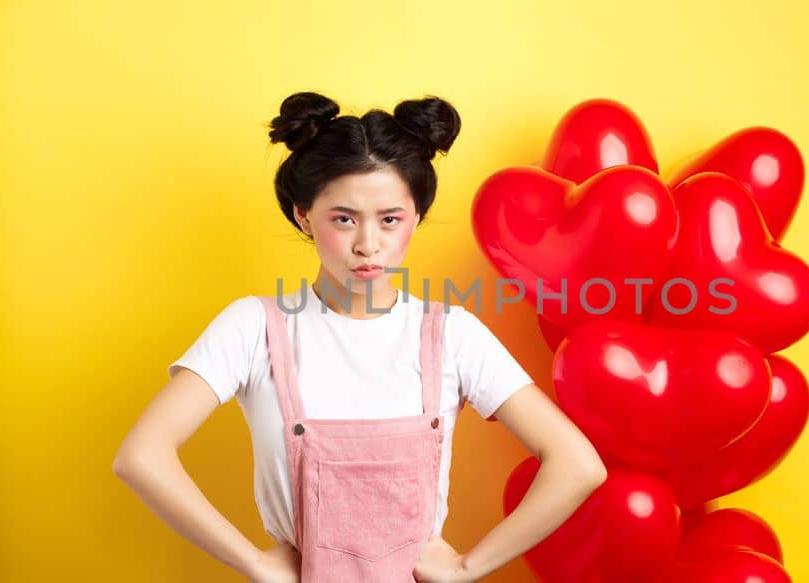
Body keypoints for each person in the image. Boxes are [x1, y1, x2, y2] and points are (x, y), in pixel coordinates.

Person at [112, 92, 607, 582]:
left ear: (415, 217)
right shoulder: (254, 328)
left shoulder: (451, 335)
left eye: (390, 219)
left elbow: (577, 465)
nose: (368, 244)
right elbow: (142, 456)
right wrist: (255, 564)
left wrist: (464, 568)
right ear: (303, 215)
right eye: (343, 219)